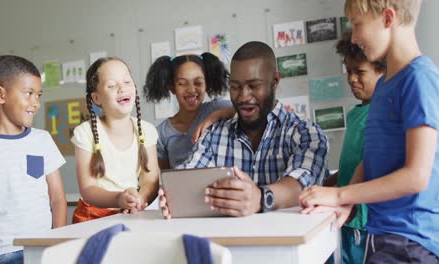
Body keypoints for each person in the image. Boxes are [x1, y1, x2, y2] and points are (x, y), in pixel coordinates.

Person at [299, 0, 439, 262]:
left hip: (411, 242)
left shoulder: (419, 79)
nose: (354, 36)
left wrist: (340, 193)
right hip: (381, 235)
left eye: (357, 24)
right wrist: (346, 201)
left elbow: (416, 177)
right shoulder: (385, 86)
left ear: (387, 18)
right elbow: (372, 158)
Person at [160, 41, 329, 218]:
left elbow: (302, 184)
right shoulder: (213, 134)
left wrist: (261, 198)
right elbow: (189, 174)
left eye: (254, 86)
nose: (243, 96)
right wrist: (174, 195)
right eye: (235, 87)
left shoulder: (305, 133)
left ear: (275, 81)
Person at [0, 55, 67, 264]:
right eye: (29, 94)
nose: (36, 103)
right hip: (3, 253)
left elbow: (58, 198)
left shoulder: (42, 140)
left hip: (44, 248)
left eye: (38, 95)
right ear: (0, 94)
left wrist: (57, 241)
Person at [323, 30, 386, 264]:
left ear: (382, 71)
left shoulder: (382, 114)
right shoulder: (356, 114)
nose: (351, 79)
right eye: (348, 71)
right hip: (346, 219)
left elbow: (370, 164)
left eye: (360, 72)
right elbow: (352, 165)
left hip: (364, 221)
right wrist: (327, 184)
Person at [71, 57, 159, 223]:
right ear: (96, 98)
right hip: (92, 218)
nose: (122, 88)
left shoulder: (147, 130)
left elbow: (150, 180)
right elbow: (88, 188)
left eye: (127, 81)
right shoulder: (85, 132)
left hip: (131, 214)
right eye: (111, 85)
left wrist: (138, 199)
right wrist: (119, 199)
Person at [143, 52, 234, 169]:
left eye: (198, 82)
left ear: (206, 84)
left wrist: (216, 115)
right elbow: (167, 176)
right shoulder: (161, 133)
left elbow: (247, 111)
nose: (191, 89)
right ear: (172, 87)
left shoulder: (216, 108)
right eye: (182, 83)